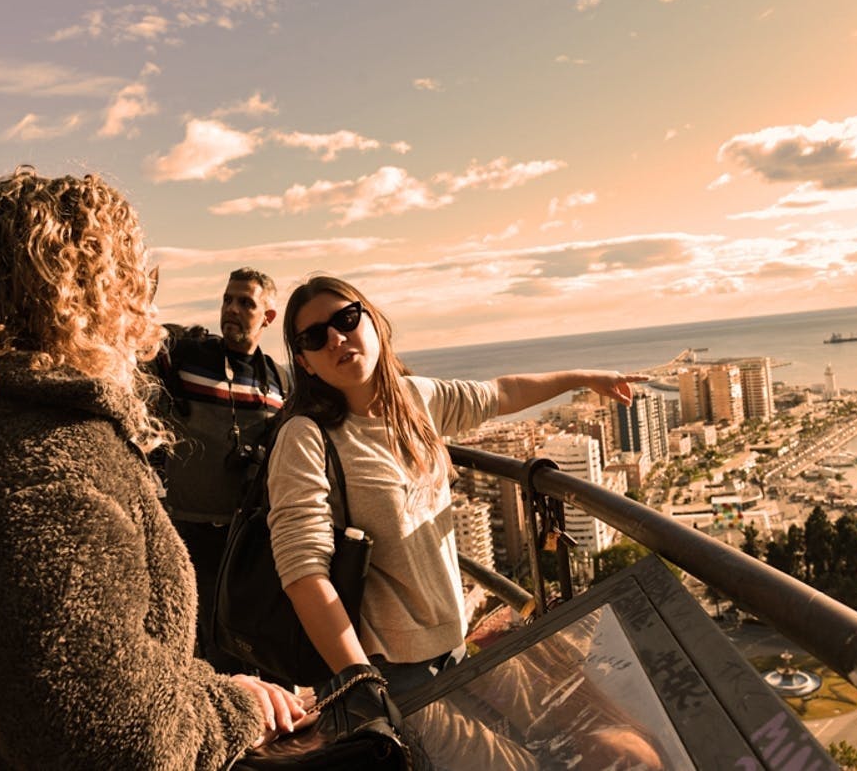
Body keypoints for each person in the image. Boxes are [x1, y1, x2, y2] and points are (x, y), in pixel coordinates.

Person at [0, 167, 306, 769]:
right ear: (97, 292)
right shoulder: (55, 467)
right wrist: (235, 706)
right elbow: (114, 739)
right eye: (136, 279)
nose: (146, 307)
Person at [266, 275, 644, 697]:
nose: (336, 338)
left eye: (347, 319)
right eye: (315, 337)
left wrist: (582, 378)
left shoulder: (415, 400)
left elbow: (499, 393)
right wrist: (360, 685)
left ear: (373, 322)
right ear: (303, 361)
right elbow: (303, 572)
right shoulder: (305, 436)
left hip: (452, 648)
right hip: (386, 669)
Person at [150, 267, 285, 670]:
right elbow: (139, 338)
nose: (232, 309)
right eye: (228, 299)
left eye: (246, 302)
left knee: (257, 636)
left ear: (268, 317)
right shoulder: (189, 354)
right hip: (191, 529)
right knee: (212, 644)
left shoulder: (276, 379)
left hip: (248, 535)